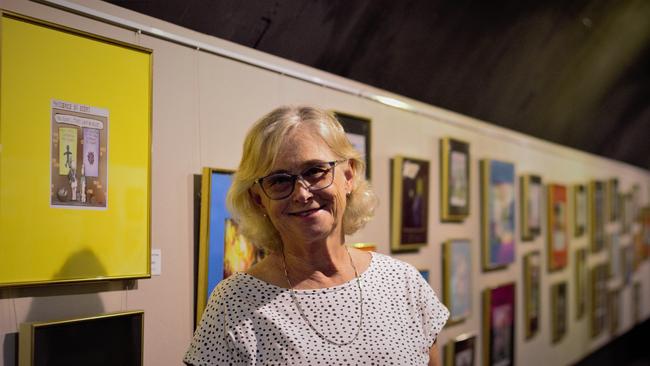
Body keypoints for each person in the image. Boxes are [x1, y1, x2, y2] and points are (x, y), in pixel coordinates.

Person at [184, 106, 449, 365]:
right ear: (258, 199)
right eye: (279, 180)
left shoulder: (403, 282)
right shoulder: (234, 303)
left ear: (349, 176)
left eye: (314, 171)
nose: (301, 193)